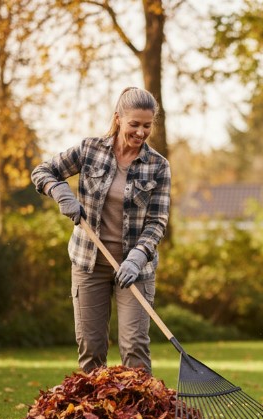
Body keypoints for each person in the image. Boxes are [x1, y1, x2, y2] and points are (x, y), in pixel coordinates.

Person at [31, 87, 170, 373]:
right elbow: (42, 171)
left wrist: (136, 258)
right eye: (134, 124)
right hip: (89, 263)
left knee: (134, 347)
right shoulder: (90, 150)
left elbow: (157, 223)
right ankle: (95, 417)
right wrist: (60, 192)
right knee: (91, 348)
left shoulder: (158, 166)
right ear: (118, 119)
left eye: (147, 125)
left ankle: (138, 417)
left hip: (134, 269)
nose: (141, 132)